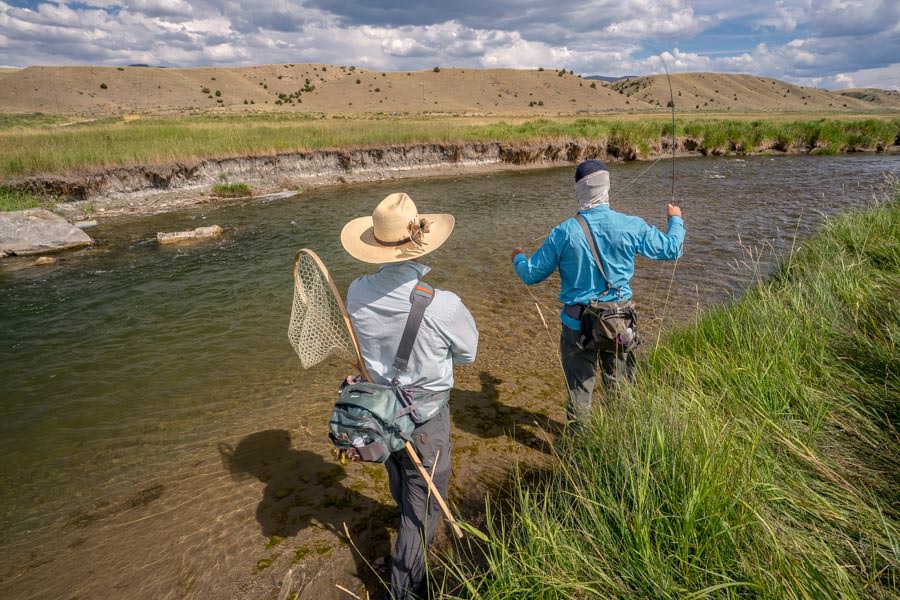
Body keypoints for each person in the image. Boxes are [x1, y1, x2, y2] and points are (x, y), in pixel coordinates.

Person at [341, 192, 478, 600]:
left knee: (399, 473)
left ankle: (404, 526)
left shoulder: (356, 292)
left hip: (381, 411)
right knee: (424, 508)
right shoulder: (443, 305)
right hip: (426, 419)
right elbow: (468, 353)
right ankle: (406, 590)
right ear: (419, 241)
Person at [511, 159, 684, 424]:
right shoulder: (631, 225)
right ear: (607, 187)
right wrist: (675, 219)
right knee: (622, 391)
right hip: (620, 324)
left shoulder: (564, 232)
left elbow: (530, 275)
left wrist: (518, 258)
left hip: (577, 327)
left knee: (580, 394)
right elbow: (673, 248)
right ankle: (621, 444)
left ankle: (581, 452)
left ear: (579, 191)